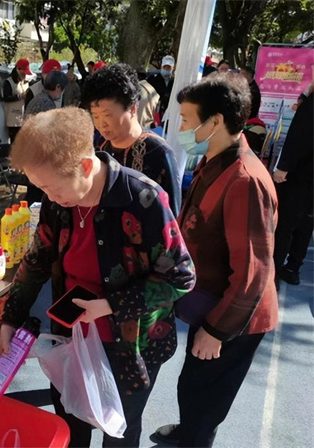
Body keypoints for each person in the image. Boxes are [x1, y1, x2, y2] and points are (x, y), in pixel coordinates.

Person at [0, 107, 195, 448]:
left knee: (118, 430)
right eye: (40, 187)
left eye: (52, 187)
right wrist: (10, 319)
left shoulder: (143, 200)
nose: (48, 197)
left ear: (86, 167)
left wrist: (111, 305)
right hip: (72, 337)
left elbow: (181, 276)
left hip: (131, 345)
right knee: (70, 421)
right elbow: (38, 258)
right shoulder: (58, 202)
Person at [151, 73, 278, 448]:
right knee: (194, 383)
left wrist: (218, 331)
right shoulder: (214, 161)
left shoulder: (244, 181)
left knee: (206, 394)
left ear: (216, 121)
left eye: (187, 120)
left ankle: (195, 438)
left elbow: (253, 273)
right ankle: (190, 431)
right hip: (211, 302)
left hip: (235, 317)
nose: (182, 129)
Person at [83, 63, 181, 215]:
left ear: (132, 108)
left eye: (107, 115)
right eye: (95, 116)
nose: (102, 124)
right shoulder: (98, 146)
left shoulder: (159, 153)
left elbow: (172, 213)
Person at [272, 90, 313, 287]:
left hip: (301, 174)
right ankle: (293, 267)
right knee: (306, 223)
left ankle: (274, 266)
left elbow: (300, 137)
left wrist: (284, 167)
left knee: (286, 223)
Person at [3, 58, 31, 142]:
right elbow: (6, 98)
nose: (24, 75)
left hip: (24, 119)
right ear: (17, 70)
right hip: (13, 120)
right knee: (15, 143)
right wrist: (20, 96)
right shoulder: (9, 82)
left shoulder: (25, 82)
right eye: (23, 72)